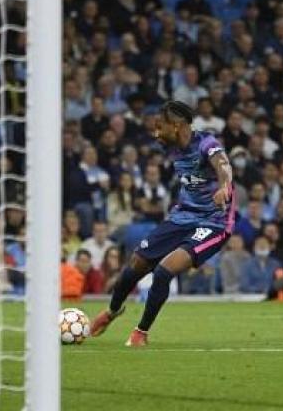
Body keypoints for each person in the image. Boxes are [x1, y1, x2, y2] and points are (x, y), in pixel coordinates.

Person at [90, 100, 235, 346]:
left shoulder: (207, 144)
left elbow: (223, 165)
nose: (157, 133)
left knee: (163, 271)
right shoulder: (171, 147)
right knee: (137, 263)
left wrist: (224, 186)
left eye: (161, 127)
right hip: (182, 216)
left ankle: (140, 333)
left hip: (214, 222)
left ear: (177, 126)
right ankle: (112, 311)